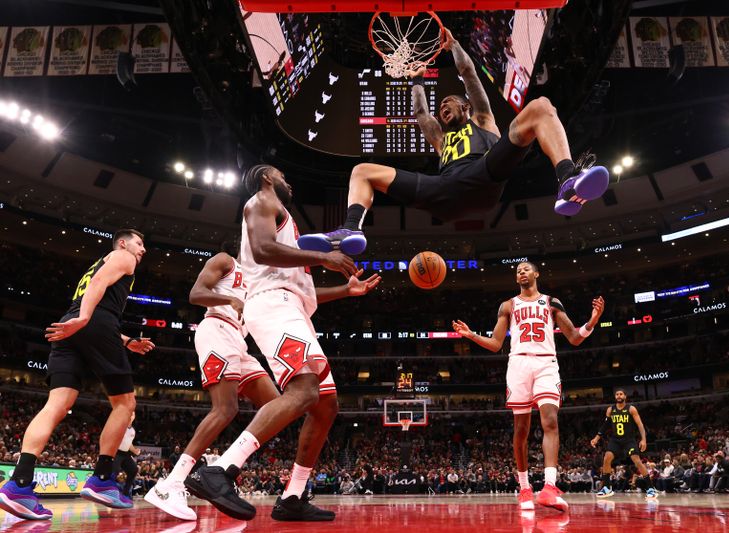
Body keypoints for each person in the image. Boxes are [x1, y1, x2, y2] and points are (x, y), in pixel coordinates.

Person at [298, 28, 608, 255]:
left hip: (484, 174)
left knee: (540, 107)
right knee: (362, 171)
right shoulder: (441, 140)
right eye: (441, 107)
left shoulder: (483, 120)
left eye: (449, 103)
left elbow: (468, 73)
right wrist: (418, 79)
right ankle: (351, 228)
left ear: (467, 108)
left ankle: (567, 181)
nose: (443, 108)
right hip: (444, 190)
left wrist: (454, 45)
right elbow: (421, 114)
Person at [185, 164, 380, 522]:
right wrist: (324, 256)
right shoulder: (261, 201)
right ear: (265, 178)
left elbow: (301, 290)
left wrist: (347, 291)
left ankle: (292, 497)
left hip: (290, 307)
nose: (287, 180)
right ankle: (221, 469)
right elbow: (261, 250)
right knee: (305, 391)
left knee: (325, 406)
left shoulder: (285, 221)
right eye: (281, 174)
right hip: (274, 306)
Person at [0, 229, 154, 520]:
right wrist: (84, 320)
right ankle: (102, 479)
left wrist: (125, 341)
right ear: (123, 243)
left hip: (69, 326)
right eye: (139, 243)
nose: (142, 249)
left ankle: (18, 484)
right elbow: (97, 301)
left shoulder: (99, 263)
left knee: (56, 405)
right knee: (125, 404)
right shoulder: (123, 256)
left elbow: (97, 302)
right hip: (87, 322)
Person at [145, 240, 282, 520]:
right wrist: (228, 299)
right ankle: (171, 482)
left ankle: (217, 470)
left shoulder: (258, 281)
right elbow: (196, 294)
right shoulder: (226, 260)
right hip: (217, 328)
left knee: (278, 407)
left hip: (239, 343)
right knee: (225, 409)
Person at [452, 261, 604, 512]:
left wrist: (593, 321)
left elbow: (575, 338)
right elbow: (496, 343)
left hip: (546, 364)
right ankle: (524, 488)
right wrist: (471, 336)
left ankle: (549, 488)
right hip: (518, 365)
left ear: (536, 274)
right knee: (521, 429)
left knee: (550, 421)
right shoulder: (508, 305)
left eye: (525, 269)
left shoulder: (552, 302)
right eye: (517, 271)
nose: (521, 272)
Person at [590, 389, 658, 500]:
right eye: (617, 394)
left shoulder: (631, 409)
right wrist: (596, 438)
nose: (619, 396)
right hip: (615, 440)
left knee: (636, 461)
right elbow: (605, 425)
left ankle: (651, 489)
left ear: (625, 396)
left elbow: (640, 425)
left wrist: (643, 439)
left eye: (621, 394)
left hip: (628, 440)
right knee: (607, 458)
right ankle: (607, 488)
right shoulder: (610, 410)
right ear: (615, 397)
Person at [112, 412, 140, 498]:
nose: (131, 416)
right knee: (114, 471)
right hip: (116, 452)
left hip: (125, 454)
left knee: (134, 469)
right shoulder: (121, 426)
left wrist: (134, 450)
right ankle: (109, 491)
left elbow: (129, 443)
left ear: (134, 417)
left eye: (133, 414)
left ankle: (125, 492)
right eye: (130, 414)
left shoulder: (133, 431)